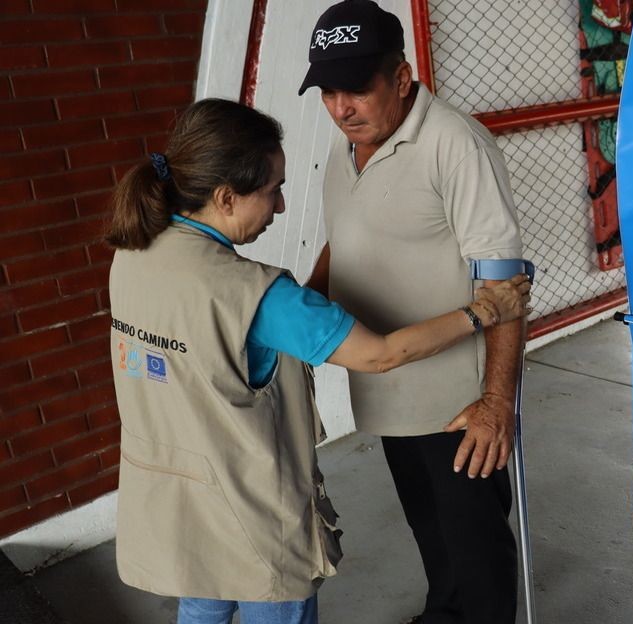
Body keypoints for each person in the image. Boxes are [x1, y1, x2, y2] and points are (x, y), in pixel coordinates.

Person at [104, 98, 530, 624]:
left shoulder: (134, 253)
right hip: (253, 518)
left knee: (202, 605)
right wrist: (484, 310)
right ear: (225, 197)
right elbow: (381, 354)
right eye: (272, 191)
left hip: (179, 504)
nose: (280, 207)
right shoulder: (258, 295)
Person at [298, 1, 527, 622]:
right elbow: (344, 241)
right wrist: (299, 313)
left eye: (356, 90)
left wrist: (495, 403)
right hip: (388, 389)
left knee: (477, 548)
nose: (340, 108)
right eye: (328, 92)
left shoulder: (456, 144)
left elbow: (507, 289)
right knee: (432, 534)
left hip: (459, 403)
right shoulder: (347, 150)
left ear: (400, 79)